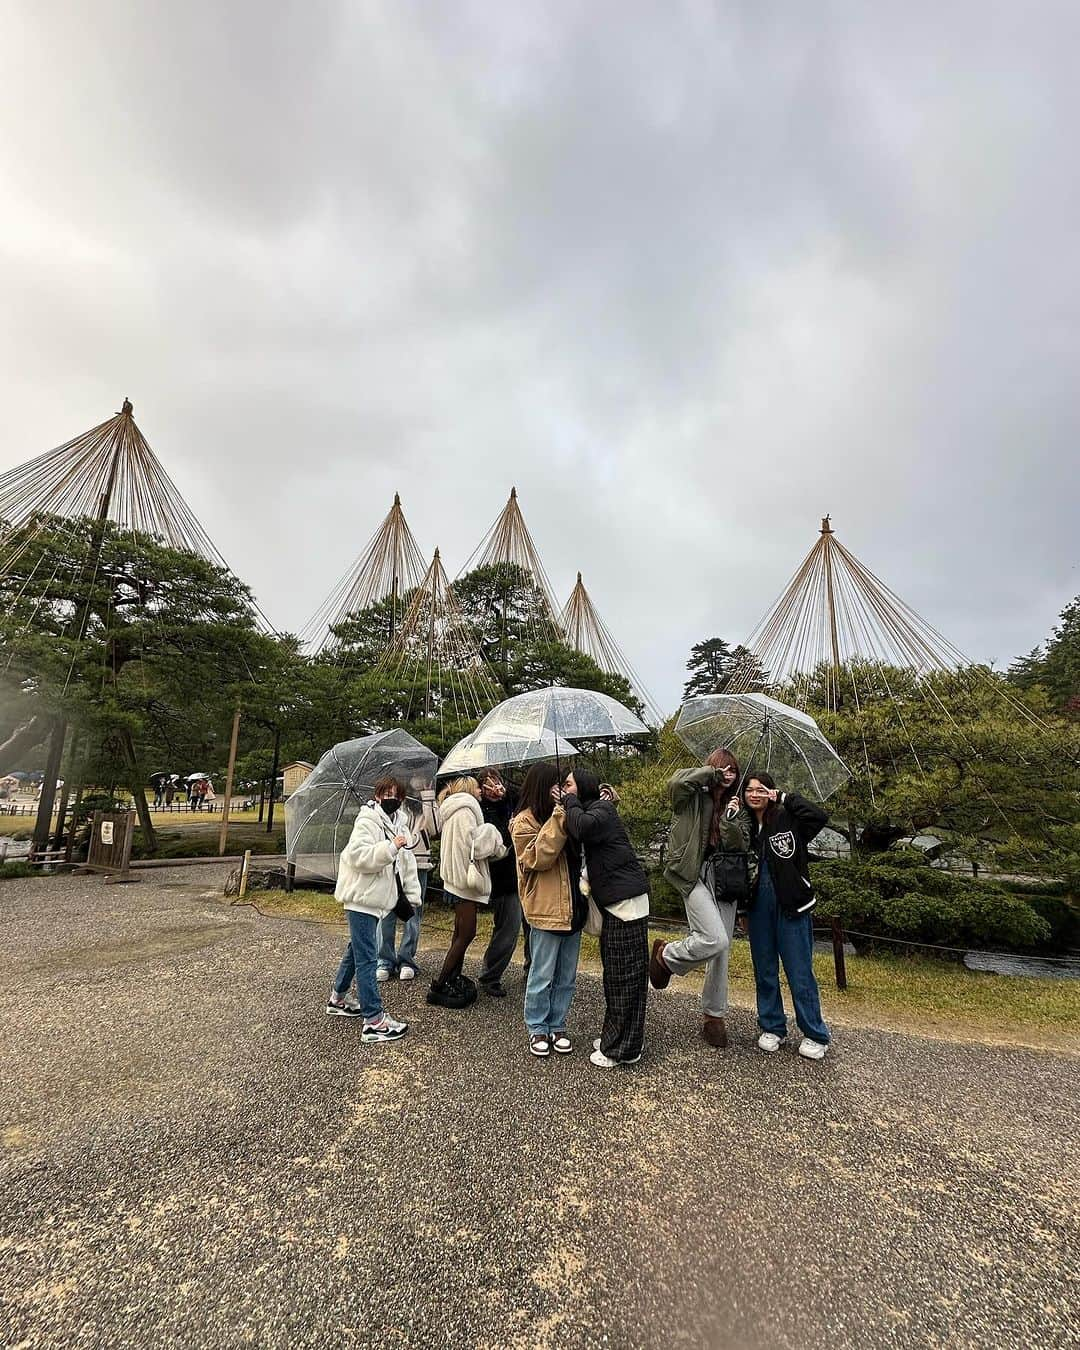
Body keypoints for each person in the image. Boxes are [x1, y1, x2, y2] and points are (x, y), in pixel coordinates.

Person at [649, 748, 751, 1049]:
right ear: (712, 769)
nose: (728, 775)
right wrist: (709, 775)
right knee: (714, 938)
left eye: (733, 770)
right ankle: (666, 956)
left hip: (726, 879)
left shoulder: (738, 805)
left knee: (722, 949)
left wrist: (731, 818)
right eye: (723, 769)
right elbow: (674, 785)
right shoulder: (692, 794)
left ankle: (713, 1015)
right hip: (692, 874)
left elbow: (740, 844)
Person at [561, 768, 650, 1069]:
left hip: (625, 906)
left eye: (569, 784)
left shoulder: (602, 809)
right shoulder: (601, 808)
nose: (565, 788)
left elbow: (582, 827)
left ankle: (619, 1048)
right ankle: (624, 1040)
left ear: (583, 786)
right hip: (622, 904)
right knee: (621, 978)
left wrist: (569, 801)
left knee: (623, 979)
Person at [742, 772, 832, 1060]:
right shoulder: (743, 827)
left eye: (761, 789)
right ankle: (772, 1026)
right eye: (749, 790)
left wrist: (785, 797)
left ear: (770, 792)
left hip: (792, 905)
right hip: (758, 907)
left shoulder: (787, 818)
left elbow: (819, 816)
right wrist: (743, 909)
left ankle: (815, 1032)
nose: (755, 794)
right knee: (765, 970)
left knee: (800, 972)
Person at [326, 776, 419, 1043]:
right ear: (377, 796)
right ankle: (374, 1021)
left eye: (397, 794)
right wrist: (391, 846)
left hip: (376, 899)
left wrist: (411, 895)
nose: (392, 798)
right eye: (386, 793)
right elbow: (358, 856)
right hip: (361, 897)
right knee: (367, 957)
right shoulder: (367, 820)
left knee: (356, 950)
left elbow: (404, 864)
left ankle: (338, 998)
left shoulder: (398, 823)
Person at [510, 763, 586, 1058]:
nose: (562, 791)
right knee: (542, 974)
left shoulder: (567, 813)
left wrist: (599, 798)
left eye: (565, 786)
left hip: (572, 907)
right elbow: (538, 858)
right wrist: (558, 816)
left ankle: (558, 1023)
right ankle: (537, 1026)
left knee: (566, 975)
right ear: (542, 786)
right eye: (556, 785)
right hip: (544, 909)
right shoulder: (523, 822)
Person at [426, 776, 508, 1010]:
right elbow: (472, 846)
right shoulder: (464, 810)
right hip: (463, 882)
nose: (481, 790)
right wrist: (491, 832)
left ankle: (452, 976)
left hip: (456, 880)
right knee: (467, 933)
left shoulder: (455, 809)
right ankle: (439, 984)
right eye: (478, 787)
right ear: (468, 789)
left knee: (459, 933)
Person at [376, 787, 438, 983]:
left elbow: (436, 828)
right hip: (391, 863)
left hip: (418, 863)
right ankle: (384, 960)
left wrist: (427, 794)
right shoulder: (391, 802)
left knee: (413, 913)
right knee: (386, 912)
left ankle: (407, 960)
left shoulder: (426, 797)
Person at [475, 769, 523, 997]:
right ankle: (490, 976)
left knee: (533, 928)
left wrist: (506, 792)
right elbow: (493, 845)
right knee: (508, 928)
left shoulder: (511, 799)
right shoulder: (481, 809)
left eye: (497, 782)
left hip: (525, 872)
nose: (494, 788)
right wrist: (510, 828)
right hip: (503, 877)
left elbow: (526, 794)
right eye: (488, 785)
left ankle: (532, 969)